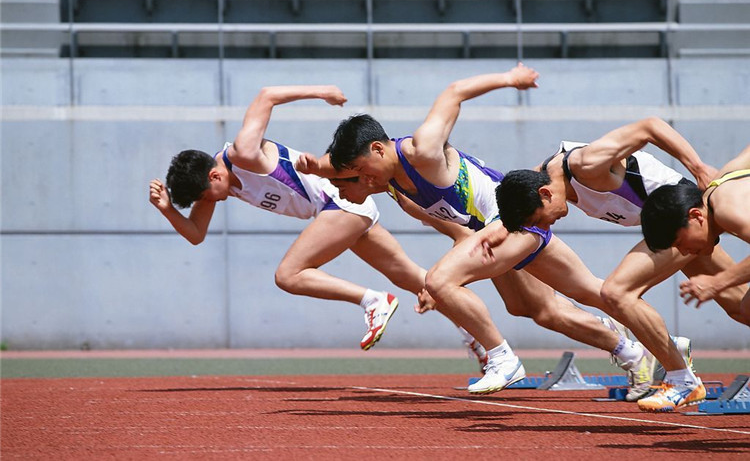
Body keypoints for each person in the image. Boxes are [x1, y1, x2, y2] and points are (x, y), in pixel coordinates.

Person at [303, 64, 655, 397]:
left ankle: (502, 359)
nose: (363, 180)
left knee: (439, 280)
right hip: (495, 233)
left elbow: (454, 92)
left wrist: (511, 78)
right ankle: (642, 352)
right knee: (551, 305)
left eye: (362, 170)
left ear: (378, 149)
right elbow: (458, 231)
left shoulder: (421, 150)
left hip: (514, 220)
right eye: (353, 175)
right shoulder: (396, 188)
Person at [148, 84, 486, 361]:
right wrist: (167, 209)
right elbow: (195, 234)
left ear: (214, 174)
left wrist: (322, 92)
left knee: (288, 275)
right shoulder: (215, 186)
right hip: (342, 212)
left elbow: (266, 95)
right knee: (420, 281)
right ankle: (478, 340)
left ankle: (371, 300)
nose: (212, 202)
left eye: (209, 195)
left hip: (338, 202)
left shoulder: (243, 153)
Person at [494, 117, 747, 412]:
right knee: (739, 304)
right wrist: (489, 234)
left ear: (545, 195)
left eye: (540, 220)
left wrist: (698, 166)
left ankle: (682, 379)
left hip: (682, 220)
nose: (546, 225)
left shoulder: (586, 164)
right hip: (670, 231)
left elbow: (649, 127)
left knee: (617, 292)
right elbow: (509, 216)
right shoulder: (540, 178)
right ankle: (672, 354)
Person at [641, 143, 750, 321]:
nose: (683, 252)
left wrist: (717, 283)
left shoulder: (727, 210)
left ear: (695, 216)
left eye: (678, 243)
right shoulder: (720, 182)